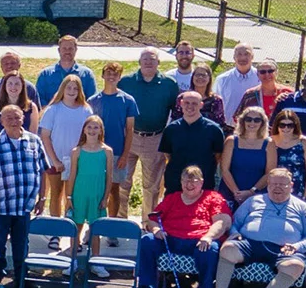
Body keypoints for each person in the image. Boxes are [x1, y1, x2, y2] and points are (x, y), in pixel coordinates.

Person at [206, 169, 306, 288]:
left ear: (291, 185)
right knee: (227, 250)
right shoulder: (253, 201)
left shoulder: (302, 207)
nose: (277, 187)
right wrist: (235, 233)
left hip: (284, 250)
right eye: (273, 184)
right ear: (267, 185)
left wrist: (296, 246)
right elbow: (235, 222)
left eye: (282, 184)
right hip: (250, 244)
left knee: (295, 266)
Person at [0, 103, 46, 288]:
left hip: (24, 205)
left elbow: (43, 171)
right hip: (1, 207)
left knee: (22, 245)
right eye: (9, 118)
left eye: (17, 117)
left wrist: (42, 197)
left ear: (23, 118)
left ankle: (22, 279)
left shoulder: (34, 141)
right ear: (1, 121)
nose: (14, 121)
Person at [137, 165, 231, 288]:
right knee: (147, 241)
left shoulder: (213, 197)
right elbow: (152, 219)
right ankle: (147, 286)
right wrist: (156, 230)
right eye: (185, 180)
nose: (189, 184)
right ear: (181, 182)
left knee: (211, 250)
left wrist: (209, 237)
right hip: (170, 239)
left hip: (199, 241)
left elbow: (222, 222)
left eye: (194, 181)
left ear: (202, 182)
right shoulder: (172, 198)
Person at [119, 49, 181, 212]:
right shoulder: (126, 82)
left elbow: (174, 112)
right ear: (139, 62)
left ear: (158, 63)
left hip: (155, 138)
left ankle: (148, 223)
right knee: (122, 182)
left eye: (152, 59)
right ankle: (118, 222)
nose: (148, 62)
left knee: (151, 186)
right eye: (144, 59)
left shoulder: (169, 84)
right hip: (129, 137)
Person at [87, 63, 139, 216]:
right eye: (108, 73)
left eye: (115, 74)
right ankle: (93, 224)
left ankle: (111, 226)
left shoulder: (127, 100)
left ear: (119, 77)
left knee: (114, 189)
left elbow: (130, 130)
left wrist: (125, 155)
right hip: (95, 152)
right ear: (102, 75)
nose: (111, 77)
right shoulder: (93, 100)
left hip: (117, 152)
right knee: (96, 188)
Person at [36, 74, 93, 216]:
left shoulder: (85, 110)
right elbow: (45, 137)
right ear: (63, 88)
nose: (72, 91)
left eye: (75, 88)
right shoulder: (53, 109)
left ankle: (71, 226)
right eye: (69, 87)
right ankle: (56, 230)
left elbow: (90, 135)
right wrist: (55, 160)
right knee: (56, 193)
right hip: (56, 160)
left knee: (72, 195)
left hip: (77, 160)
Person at [64, 116, 114, 276]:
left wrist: (106, 197)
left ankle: (96, 262)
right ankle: (73, 260)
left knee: (95, 229)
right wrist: (69, 196)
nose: (92, 131)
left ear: (101, 131)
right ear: (84, 129)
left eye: (96, 128)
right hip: (79, 194)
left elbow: (109, 177)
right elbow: (72, 175)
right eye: (89, 127)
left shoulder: (107, 151)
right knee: (76, 227)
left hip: (97, 194)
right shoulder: (76, 151)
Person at [162, 90, 227, 191]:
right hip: (175, 182)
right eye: (187, 103)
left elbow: (218, 156)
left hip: (203, 182)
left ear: (201, 105)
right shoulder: (171, 129)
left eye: (194, 103)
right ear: (181, 103)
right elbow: (167, 155)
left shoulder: (214, 129)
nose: (190, 106)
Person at [219, 107, 271, 206]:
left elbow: (270, 172)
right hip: (230, 193)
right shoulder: (231, 141)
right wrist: (236, 193)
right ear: (242, 121)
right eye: (248, 119)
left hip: (258, 195)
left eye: (257, 120)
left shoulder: (269, 143)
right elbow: (224, 170)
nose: (252, 122)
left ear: (263, 122)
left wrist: (251, 192)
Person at [35, 35, 97, 108]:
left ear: (76, 50)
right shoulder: (45, 75)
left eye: (70, 48)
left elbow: (92, 101)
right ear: (59, 50)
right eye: (64, 48)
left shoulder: (86, 74)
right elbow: (39, 100)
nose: (67, 51)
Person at [268, 109, 306, 201]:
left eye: (289, 125)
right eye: (282, 125)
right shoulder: (270, 141)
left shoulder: (305, 142)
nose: (286, 128)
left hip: (298, 189)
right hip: (275, 189)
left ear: (295, 126)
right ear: (277, 126)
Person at [213, 45, 260, 121]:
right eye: (239, 54)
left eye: (246, 54)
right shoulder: (222, 79)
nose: (243, 58)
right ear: (234, 57)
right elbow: (215, 103)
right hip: (229, 127)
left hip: (255, 126)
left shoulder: (261, 77)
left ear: (252, 57)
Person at [0, 71, 39, 138]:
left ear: (22, 86)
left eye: (17, 84)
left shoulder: (32, 107)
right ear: (5, 86)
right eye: (10, 84)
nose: (13, 87)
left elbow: (33, 135)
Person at [186, 63, 227, 128]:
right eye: (197, 75)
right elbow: (176, 120)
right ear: (192, 77)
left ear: (209, 78)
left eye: (204, 75)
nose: (200, 77)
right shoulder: (183, 98)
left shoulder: (216, 100)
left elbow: (220, 125)